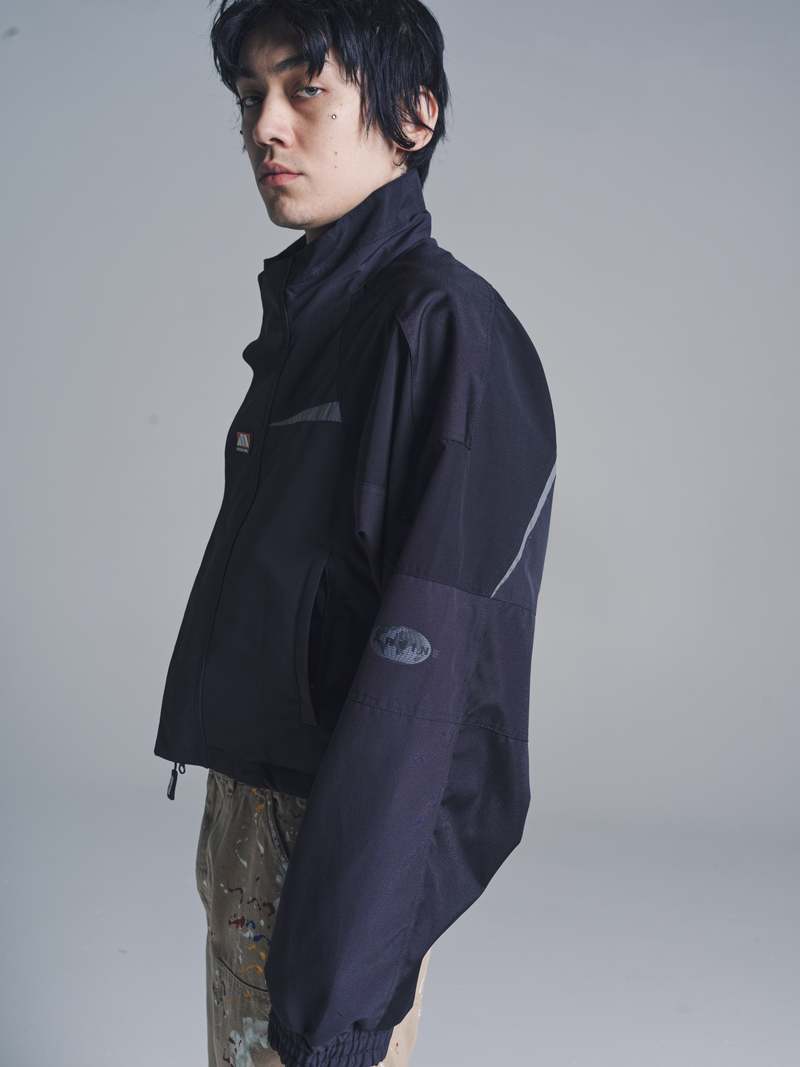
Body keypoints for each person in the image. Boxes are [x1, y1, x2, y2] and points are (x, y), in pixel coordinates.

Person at [153, 2, 558, 1065]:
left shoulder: (441, 328)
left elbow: (434, 675)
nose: (264, 126)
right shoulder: (318, 320)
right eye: (250, 97)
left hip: (334, 823)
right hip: (255, 805)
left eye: (305, 90)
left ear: (413, 116)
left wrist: (343, 964)